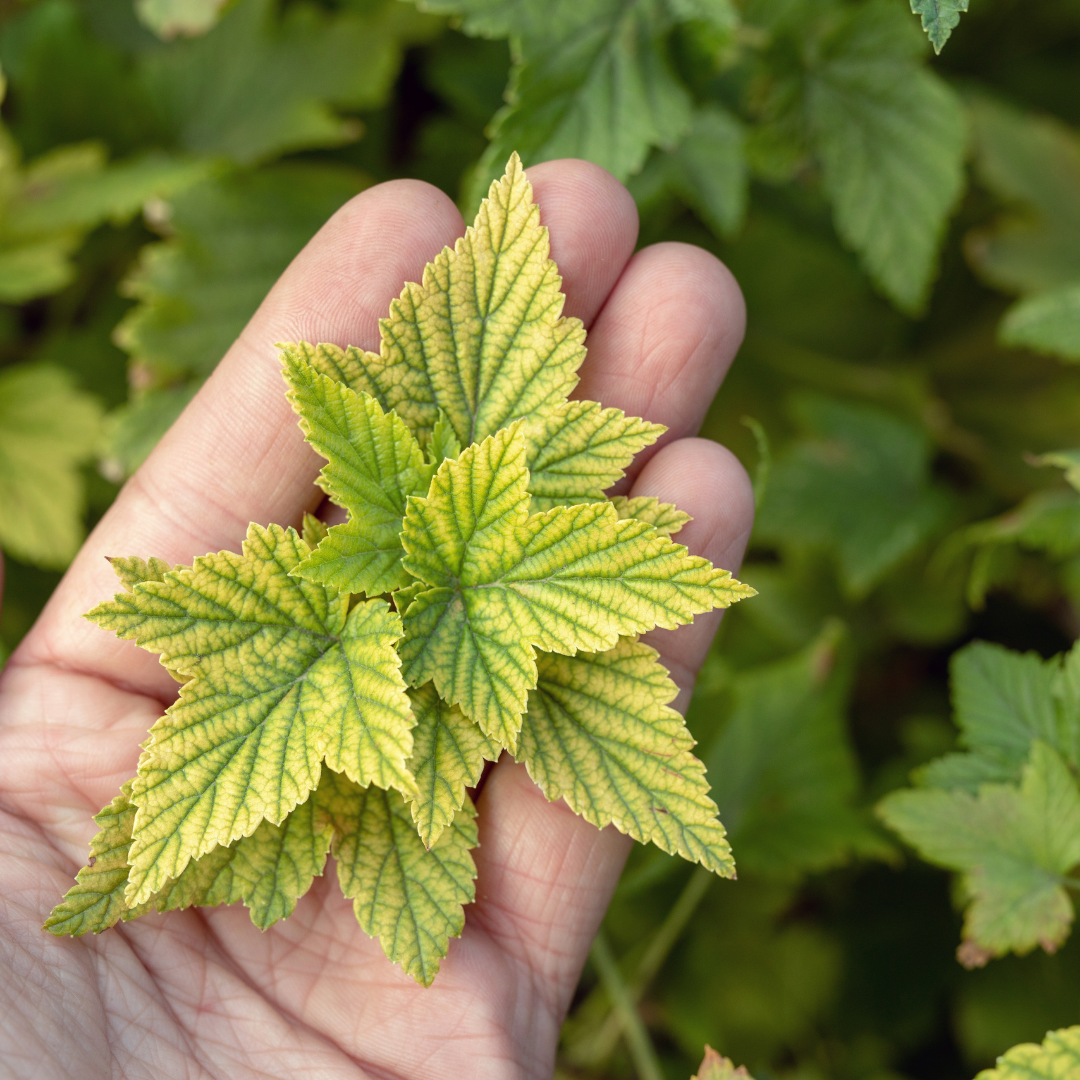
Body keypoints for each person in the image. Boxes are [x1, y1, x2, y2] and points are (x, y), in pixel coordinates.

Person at [0, 159, 753, 1079]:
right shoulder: (382, 613)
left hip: (419, 621)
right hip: (384, 652)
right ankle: (128, 878)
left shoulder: (433, 577)